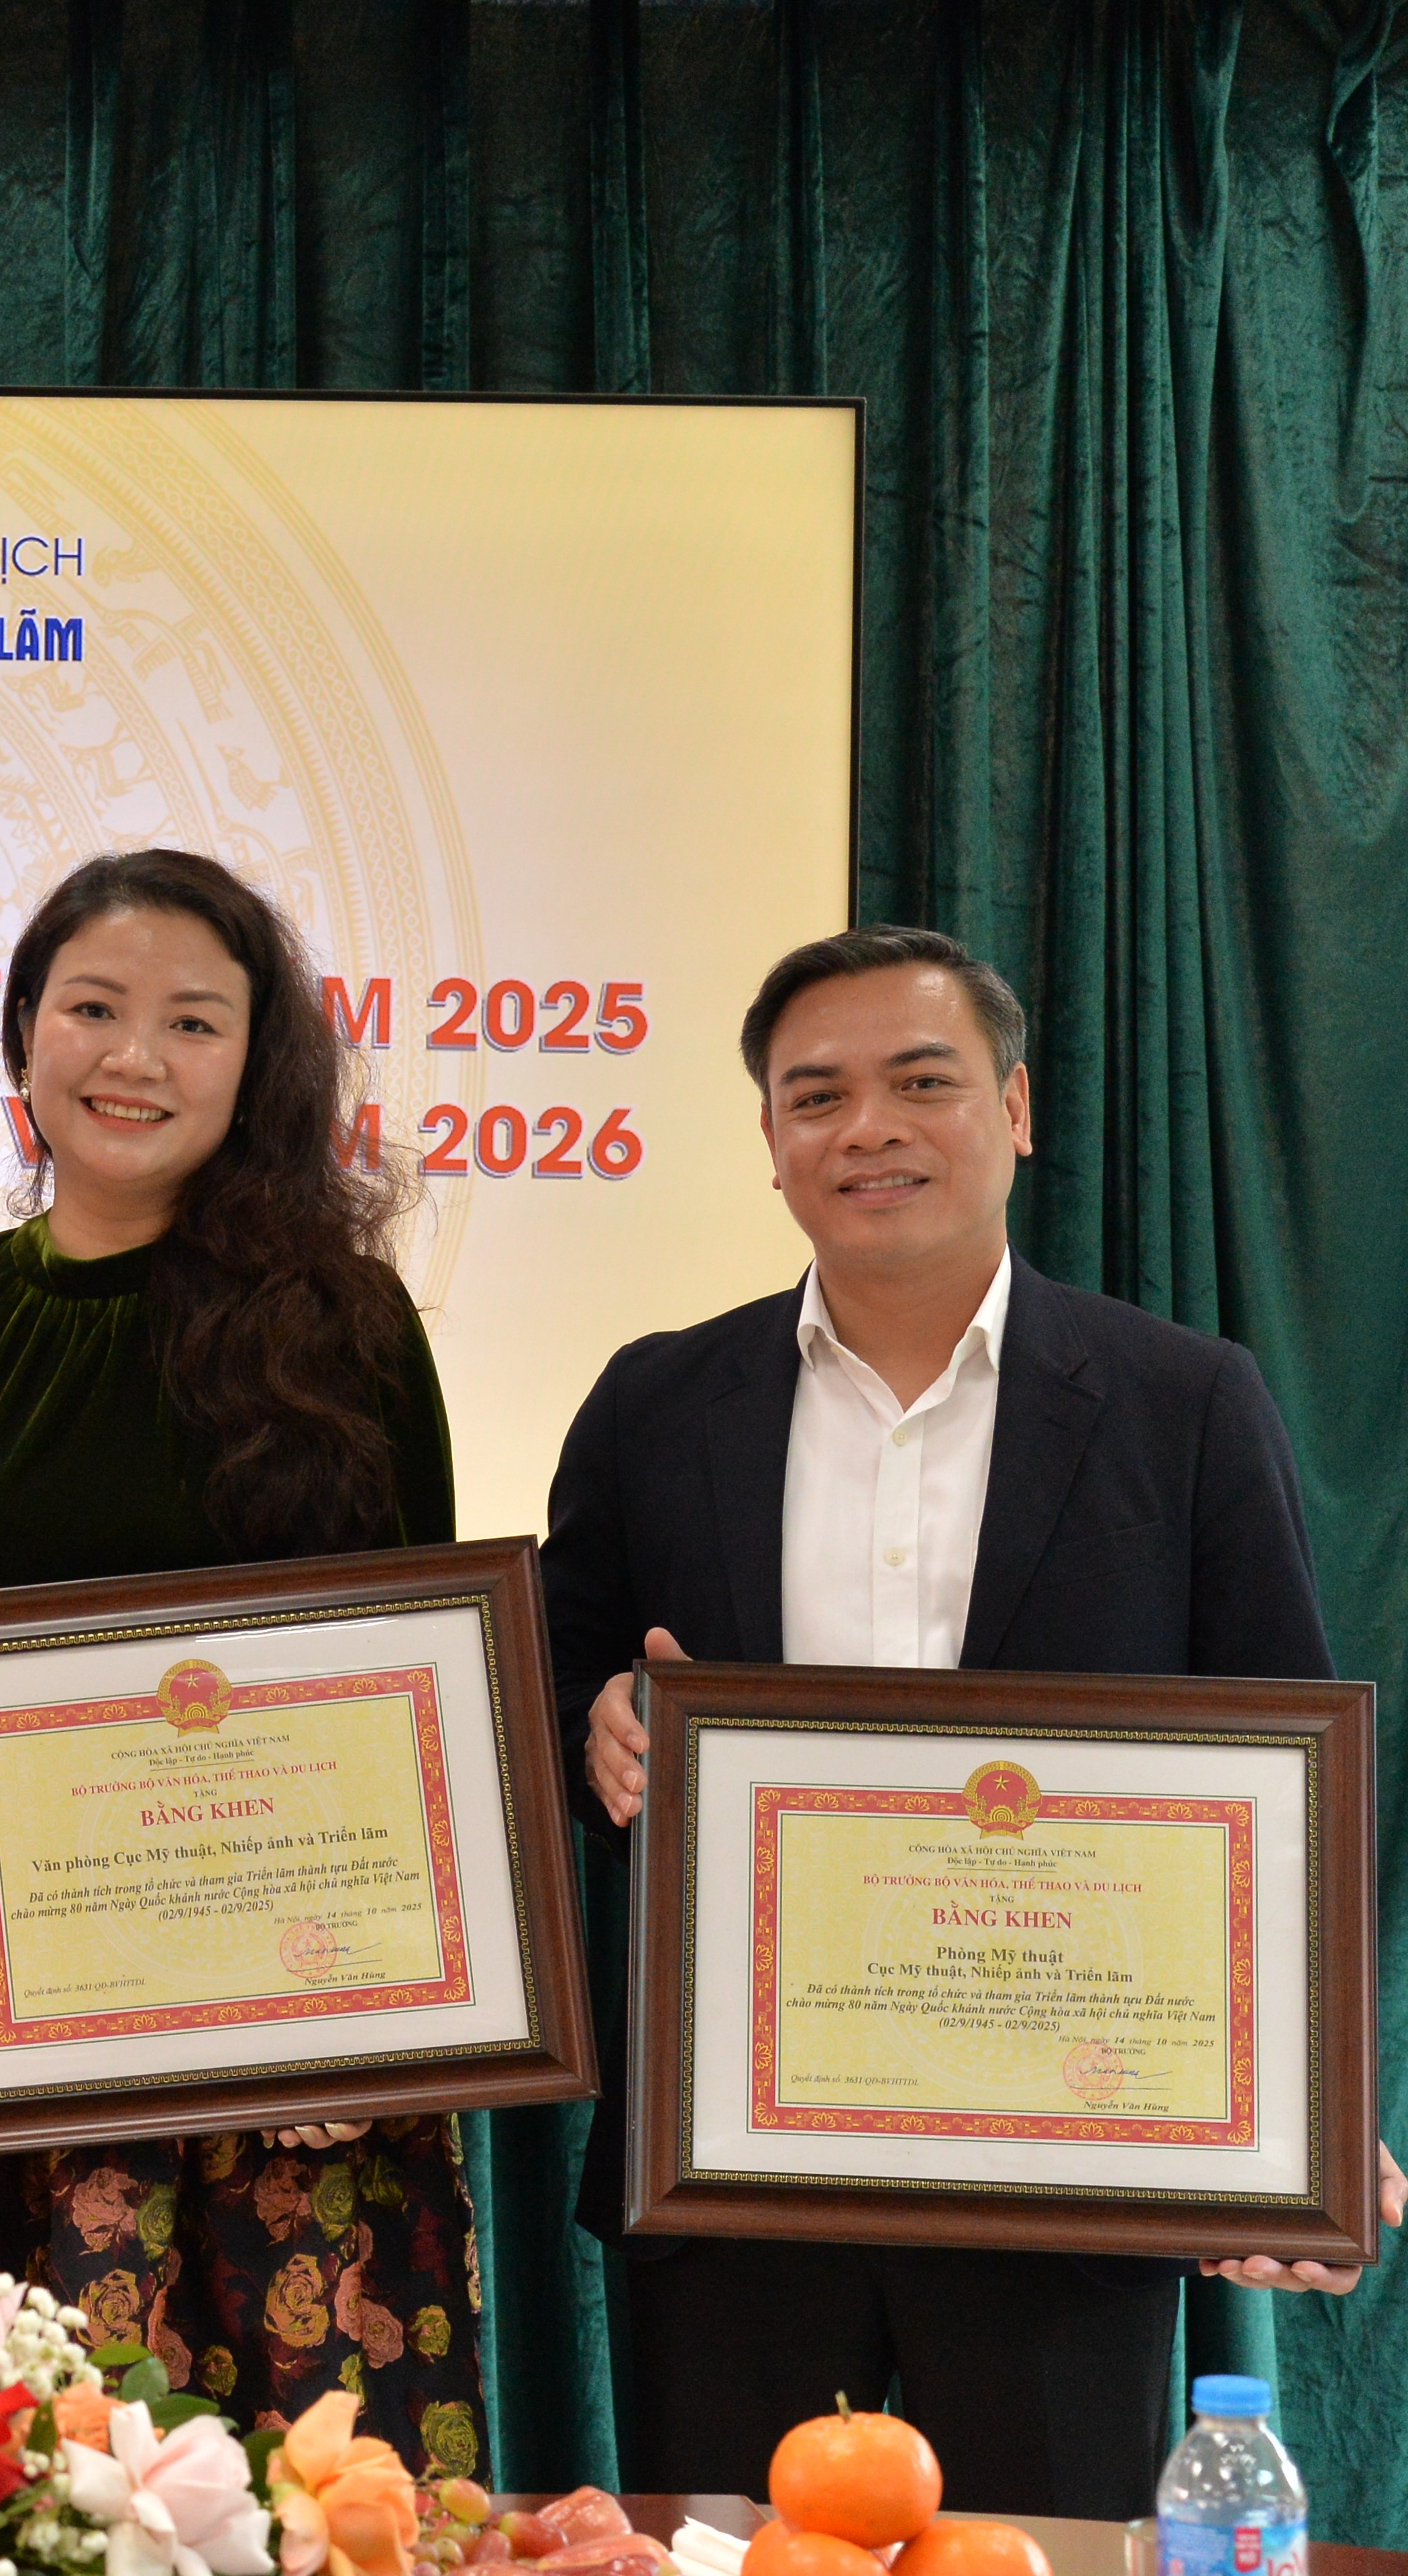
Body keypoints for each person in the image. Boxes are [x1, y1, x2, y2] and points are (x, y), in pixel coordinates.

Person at [545, 922, 1408, 2511]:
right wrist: (592, 1721)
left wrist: (1312, 2109)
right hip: (733, 2172)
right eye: (817, 1096)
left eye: (921, 1081)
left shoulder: (1185, 1402)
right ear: (770, 1142)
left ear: (1013, 1108)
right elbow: (544, 1695)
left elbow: (1290, 1776)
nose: (866, 1128)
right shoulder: (655, 1404)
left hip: (1062, 2175)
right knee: (722, 2551)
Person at [0, 849, 486, 2475]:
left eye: (193, 1022)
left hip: (280, 2055)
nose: (135, 1058)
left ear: (257, 1063)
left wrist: (385, 2015)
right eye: (93, 1009)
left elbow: (418, 1690)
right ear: (25, 1031)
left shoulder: (350, 1328)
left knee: (297, 2512)